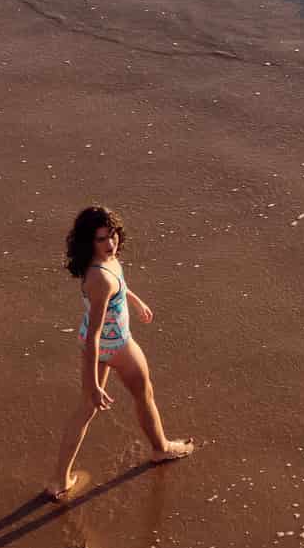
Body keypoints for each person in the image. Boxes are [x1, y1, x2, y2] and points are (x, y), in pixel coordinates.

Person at [46, 205, 193, 502]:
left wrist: (135, 301)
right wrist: (95, 383)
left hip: (102, 340)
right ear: (90, 241)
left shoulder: (104, 262)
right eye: (101, 239)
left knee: (86, 410)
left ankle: (59, 481)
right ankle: (161, 447)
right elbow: (95, 337)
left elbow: (119, 286)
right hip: (115, 345)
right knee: (143, 394)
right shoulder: (100, 278)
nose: (110, 243)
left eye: (111, 235)